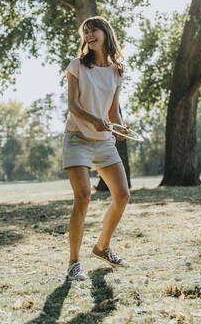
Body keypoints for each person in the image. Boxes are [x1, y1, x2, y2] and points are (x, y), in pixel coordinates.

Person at [63, 16, 130, 281]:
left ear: (105, 34)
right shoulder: (77, 66)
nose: (89, 35)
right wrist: (96, 121)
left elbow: (113, 110)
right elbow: (74, 106)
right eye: (85, 32)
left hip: (103, 141)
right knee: (83, 197)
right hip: (78, 137)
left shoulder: (116, 71)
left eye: (94, 30)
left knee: (122, 196)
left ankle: (102, 247)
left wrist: (119, 126)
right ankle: (73, 263)